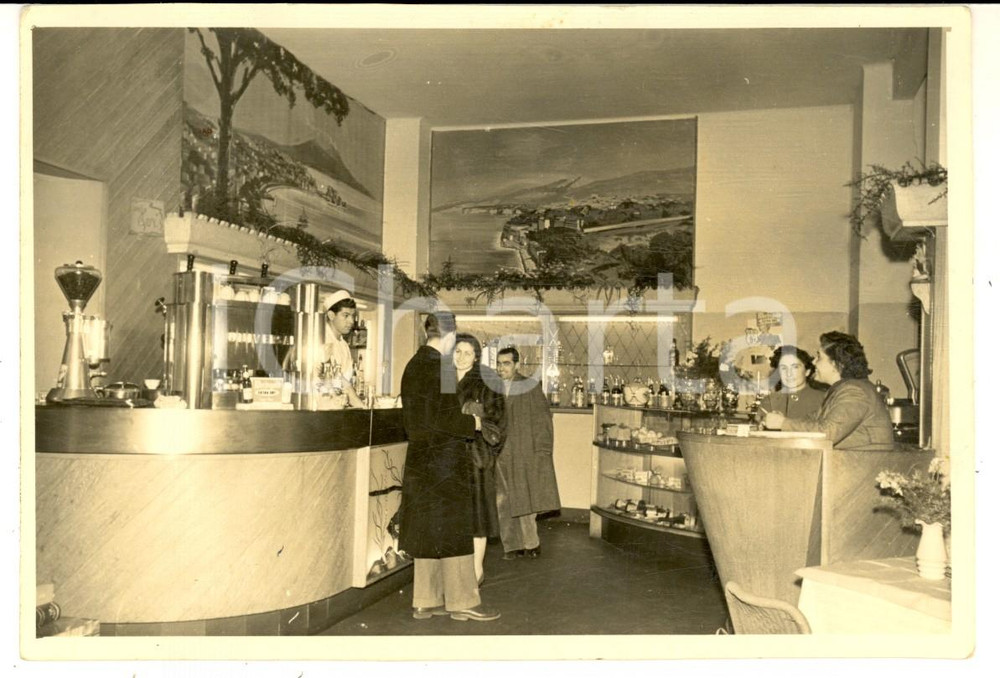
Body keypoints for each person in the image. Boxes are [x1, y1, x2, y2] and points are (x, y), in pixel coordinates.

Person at [398, 312, 500, 622]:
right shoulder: (440, 368)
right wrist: (476, 422)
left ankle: (425, 600)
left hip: (420, 460)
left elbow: (421, 416)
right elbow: (445, 418)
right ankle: (462, 601)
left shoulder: (413, 365)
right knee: (456, 530)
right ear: (449, 336)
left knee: (427, 529)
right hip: (444, 460)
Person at [762, 331, 894, 450]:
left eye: (819, 357)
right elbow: (813, 420)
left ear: (836, 364)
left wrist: (783, 423)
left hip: (863, 467)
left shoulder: (854, 391)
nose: (814, 362)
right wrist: (781, 420)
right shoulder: (841, 390)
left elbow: (828, 432)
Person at [491, 347, 561, 560]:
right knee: (503, 501)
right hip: (500, 452)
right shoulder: (492, 389)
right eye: (499, 363)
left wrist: (543, 451)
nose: (502, 368)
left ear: (517, 365)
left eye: (507, 363)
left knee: (525, 501)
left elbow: (543, 421)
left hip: (524, 452)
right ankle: (511, 547)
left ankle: (531, 543)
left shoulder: (529, 387)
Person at [453, 333, 505, 585]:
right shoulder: (442, 380)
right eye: (457, 351)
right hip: (449, 458)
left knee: (478, 518)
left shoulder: (487, 381)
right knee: (455, 518)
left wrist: (478, 427)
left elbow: (498, 422)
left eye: (467, 353)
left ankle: (475, 573)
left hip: (475, 458)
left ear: (475, 357)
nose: (461, 357)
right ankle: (455, 577)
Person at [320, 290, 364, 408]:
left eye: (353, 316)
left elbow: (346, 383)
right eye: (346, 315)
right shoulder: (321, 340)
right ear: (331, 315)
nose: (351, 321)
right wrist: (362, 408)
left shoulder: (344, 345)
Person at [757, 345, 826, 420]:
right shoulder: (769, 401)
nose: (789, 373)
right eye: (783, 368)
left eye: (795, 367)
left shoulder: (823, 400)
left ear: (807, 372)